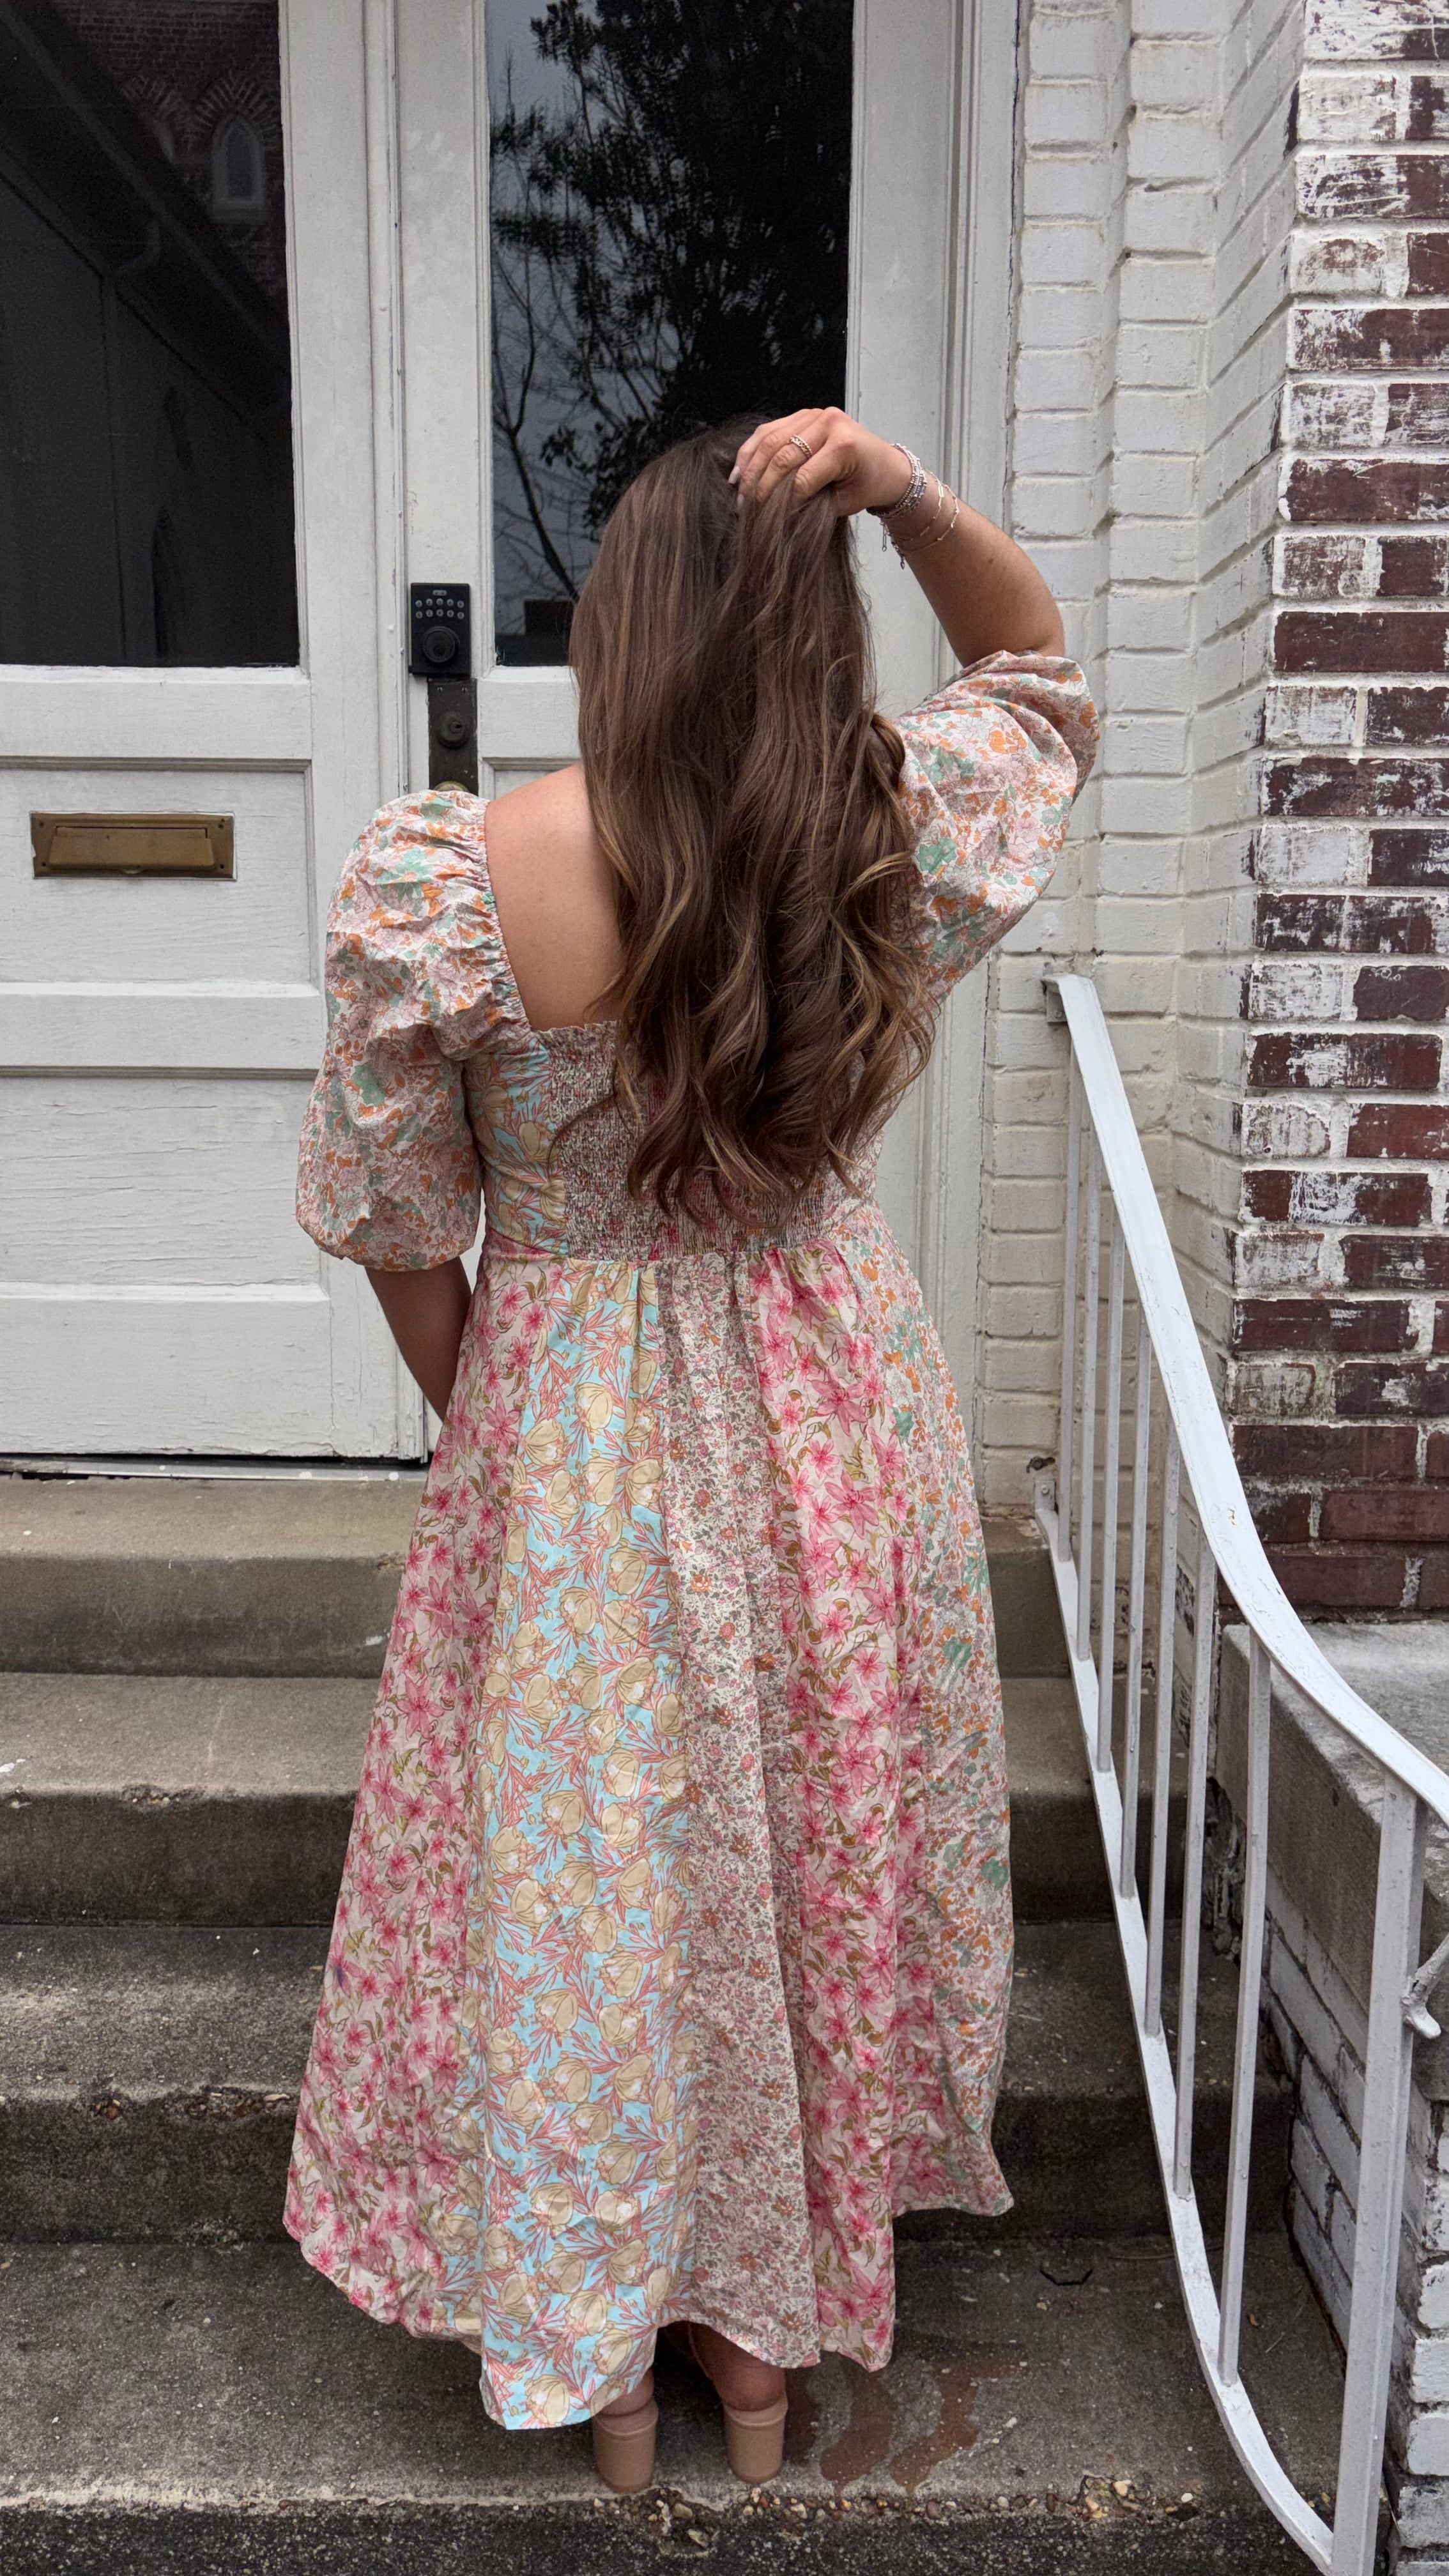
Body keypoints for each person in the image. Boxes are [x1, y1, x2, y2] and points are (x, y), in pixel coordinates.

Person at [286, 406, 1098, 2495]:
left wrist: (505, 1430)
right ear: (811, 631)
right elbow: (1034, 671)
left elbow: (393, 1228)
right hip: (831, 1406)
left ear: (616, 630)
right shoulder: (880, 835)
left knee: (591, 1890)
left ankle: (600, 2353)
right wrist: (899, 495)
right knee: (796, 1859)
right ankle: (757, 2336)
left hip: (562, 1420)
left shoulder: (447, 880)